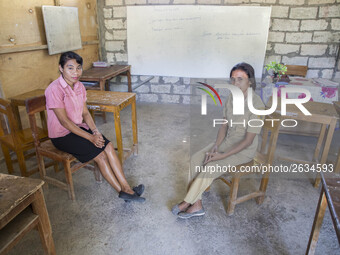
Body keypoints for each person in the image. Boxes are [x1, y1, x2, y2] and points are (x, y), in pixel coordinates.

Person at [45, 51, 145, 202]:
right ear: (61, 68)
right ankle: (123, 192)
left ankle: (126, 188)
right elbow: (64, 122)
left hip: (79, 128)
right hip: (62, 135)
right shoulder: (54, 89)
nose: (75, 72)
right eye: (70, 68)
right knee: (100, 155)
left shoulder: (79, 87)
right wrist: (91, 138)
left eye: (78, 68)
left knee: (109, 146)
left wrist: (95, 132)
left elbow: (85, 113)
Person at [172, 62, 264, 218]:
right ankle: (197, 205)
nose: (235, 83)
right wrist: (216, 146)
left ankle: (187, 202)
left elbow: (248, 141)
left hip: (243, 151)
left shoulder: (257, 106)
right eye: (233, 79)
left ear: (250, 81)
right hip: (227, 142)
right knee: (196, 159)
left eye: (240, 79)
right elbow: (223, 126)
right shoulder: (232, 98)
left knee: (210, 167)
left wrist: (222, 156)